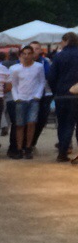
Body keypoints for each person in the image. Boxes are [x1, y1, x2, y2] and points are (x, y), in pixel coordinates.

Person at [8, 45, 47, 159]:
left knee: (31, 123)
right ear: (21, 55)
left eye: (29, 53)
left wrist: (37, 95)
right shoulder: (15, 69)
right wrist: (16, 97)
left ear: (32, 55)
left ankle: (28, 147)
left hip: (33, 99)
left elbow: (42, 81)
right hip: (21, 98)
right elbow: (13, 84)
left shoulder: (38, 67)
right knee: (20, 125)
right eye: (24, 54)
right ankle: (19, 148)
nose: (26, 56)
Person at [46, 32, 78, 162]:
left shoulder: (59, 56)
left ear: (66, 41)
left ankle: (63, 152)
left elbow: (51, 77)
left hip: (63, 95)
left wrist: (56, 91)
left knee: (64, 124)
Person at [29, 40, 54, 149]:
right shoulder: (22, 62)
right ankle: (26, 143)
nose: (34, 51)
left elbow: (49, 75)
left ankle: (32, 142)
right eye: (32, 48)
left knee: (41, 119)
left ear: (40, 50)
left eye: (37, 48)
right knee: (29, 120)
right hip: (28, 95)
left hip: (45, 94)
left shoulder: (45, 62)